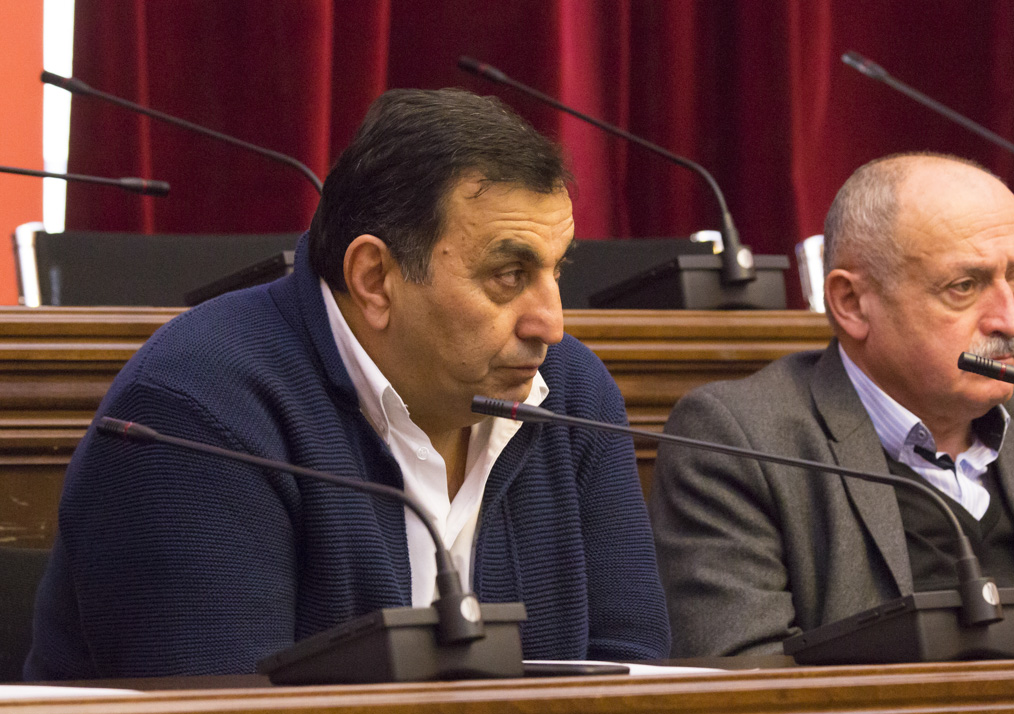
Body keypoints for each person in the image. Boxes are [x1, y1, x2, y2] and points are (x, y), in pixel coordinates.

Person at [27, 89, 669, 679]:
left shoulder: (570, 394)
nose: (551, 324)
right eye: (508, 276)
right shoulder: (197, 409)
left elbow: (634, 683)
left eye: (557, 271)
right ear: (374, 279)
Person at [650, 153, 1014, 657]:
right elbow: (753, 687)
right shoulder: (740, 441)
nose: (1009, 321)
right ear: (852, 303)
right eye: (964, 286)